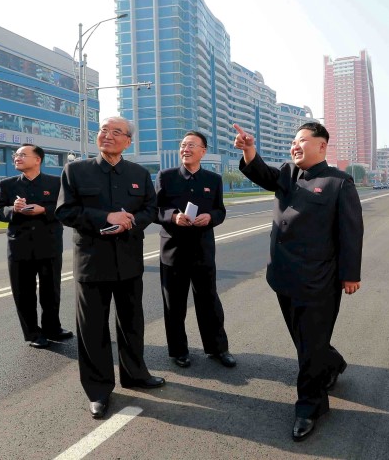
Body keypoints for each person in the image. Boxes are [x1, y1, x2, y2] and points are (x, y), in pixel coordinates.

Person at [233, 121, 363, 442]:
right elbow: (261, 175)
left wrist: (350, 274)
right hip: (283, 277)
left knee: (309, 348)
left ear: (321, 145)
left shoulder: (338, 183)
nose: (296, 145)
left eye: (302, 140)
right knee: (306, 341)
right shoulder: (287, 174)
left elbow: (351, 233)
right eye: (294, 141)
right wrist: (250, 149)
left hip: (318, 281)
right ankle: (331, 363)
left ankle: (309, 407)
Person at [56, 116, 164, 420]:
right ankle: (99, 391)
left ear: (128, 141)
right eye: (104, 130)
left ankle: (136, 374)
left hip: (129, 260)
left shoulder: (139, 173)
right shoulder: (76, 170)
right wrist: (107, 218)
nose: (108, 135)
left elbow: (150, 209)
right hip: (92, 263)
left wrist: (131, 221)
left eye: (117, 132)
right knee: (92, 329)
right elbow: (65, 211)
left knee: (132, 323)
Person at [155, 131, 235, 369]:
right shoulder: (166, 177)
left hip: (202, 250)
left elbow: (220, 211)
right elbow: (155, 210)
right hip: (173, 251)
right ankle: (179, 351)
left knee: (209, 301)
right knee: (175, 304)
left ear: (203, 151)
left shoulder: (213, 179)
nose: (185, 149)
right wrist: (173, 216)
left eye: (191, 145)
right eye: (182, 145)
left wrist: (210, 217)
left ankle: (218, 349)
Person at [0, 144, 72, 349]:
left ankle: (53, 328)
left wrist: (43, 210)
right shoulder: (7, 184)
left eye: (22, 155)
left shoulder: (56, 183)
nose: (17, 158)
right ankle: (32, 333)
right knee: (23, 292)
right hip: (19, 247)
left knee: (51, 291)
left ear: (38, 160)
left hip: (49, 245)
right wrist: (13, 209)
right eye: (16, 155)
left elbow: (65, 209)